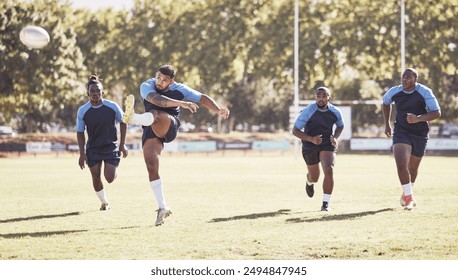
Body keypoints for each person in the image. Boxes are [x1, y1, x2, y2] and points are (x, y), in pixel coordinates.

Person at [122, 64, 230, 226]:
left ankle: (133, 118)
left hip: (169, 125)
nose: (160, 82)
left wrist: (217, 109)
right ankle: (163, 207)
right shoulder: (146, 85)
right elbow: (156, 99)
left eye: (165, 80)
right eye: (158, 77)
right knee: (151, 164)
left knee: (156, 114)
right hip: (150, 128)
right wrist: (182, 103)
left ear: (171, 82)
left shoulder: (180, 89)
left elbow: (202, 98)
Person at [383, 68, 441, 210]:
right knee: (401, 162)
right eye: (403, 76)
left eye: (408, 77)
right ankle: (409, 198)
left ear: (416, 79)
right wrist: (387, 124)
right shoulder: (394, 91)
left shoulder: (425, 92)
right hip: (401, 131)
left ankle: (407, 192)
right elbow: (386, 103)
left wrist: (418, 119)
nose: (404, 80)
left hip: (420, 133)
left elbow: (436, 112)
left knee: (413, 169)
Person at [76, 75, 128, 211]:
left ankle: (113, 170)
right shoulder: (83, 111)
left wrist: (122, 145)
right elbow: (80, 132)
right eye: (92, 91)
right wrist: (82, 154)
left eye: (98, 91)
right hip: (93, 149)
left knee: (109, 178)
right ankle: (104, 202)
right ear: (88, 93)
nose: (95, 94)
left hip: (110, 147)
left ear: (102, 92)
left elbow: (123, 122)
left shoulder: (112, 106)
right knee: (96, 177)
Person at [292, 86, 344, 211]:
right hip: (310, 145)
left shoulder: (335, 112)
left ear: (329, 98)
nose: (321, 99)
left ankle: (325, 204)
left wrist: (335, 137)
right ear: (315, 97)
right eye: (318, 96)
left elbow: (340, 126)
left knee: (329, 169)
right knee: (315, 177)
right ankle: (309, 182)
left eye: (324, 96)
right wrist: (311, 139)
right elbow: (295, 131)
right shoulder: (308, 111)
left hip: (327, 144)